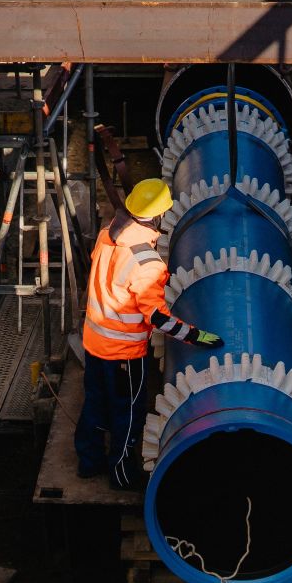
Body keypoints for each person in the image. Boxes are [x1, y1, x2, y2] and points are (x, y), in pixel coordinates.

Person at [76, 178, 226, 491]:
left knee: (94, 403)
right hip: (123, 354)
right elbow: (158, 317)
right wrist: (195, 336)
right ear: (158, 217)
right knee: (128, 414)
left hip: (93, 341)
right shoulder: (147, 263)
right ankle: (121, 476)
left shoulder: (107, 235)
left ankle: (88, 463)